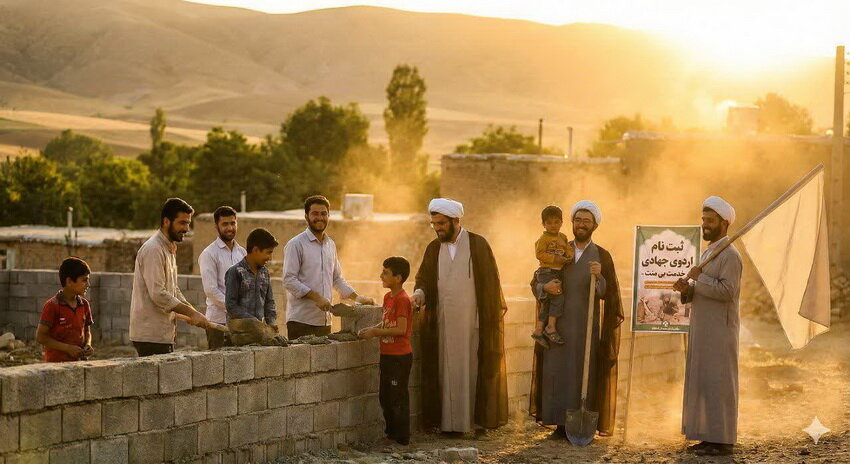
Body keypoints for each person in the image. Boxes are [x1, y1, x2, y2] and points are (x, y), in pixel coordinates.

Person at [411, 198, 508, 435]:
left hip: (472, 325)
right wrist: (419, 294)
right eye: (434, 224)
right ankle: (448, 425)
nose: (438, 228)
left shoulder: (478, 244)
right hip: (442, 324)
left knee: (473, 371)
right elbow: (423, 279)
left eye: (442, 223)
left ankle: (474, 423)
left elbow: (491, 285)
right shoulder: (433, 248)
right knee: (444, 372)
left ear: (456, 221)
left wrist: (486, 321)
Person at [529, 200, 624, 439]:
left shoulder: (602, 256)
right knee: (556, 372)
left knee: (581, 374)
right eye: (578, 220)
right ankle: (559, 424)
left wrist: (599, 276)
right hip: (556, 326)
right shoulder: (558, 248)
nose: (581, 224)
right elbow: (536, 281)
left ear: (594, 225)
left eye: (586, 221)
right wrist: (545, 287)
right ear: (571, 223)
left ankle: (580, 424)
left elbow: (608, 293)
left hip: (585, 328)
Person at [673, 196, 742, 457]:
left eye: (710, 221)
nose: (705, 225)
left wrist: (698, 279)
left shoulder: (731, 255)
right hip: (702, 329)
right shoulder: (710, 251)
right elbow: (703, 289)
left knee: (718, 383)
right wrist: (687, 289)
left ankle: (722, 440)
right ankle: (705, 435)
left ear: (724, 223)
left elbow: (727, 291)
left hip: (720, 332)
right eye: (703, 220)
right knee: (703, 382)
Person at [129, 198, 216, 357]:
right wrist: (192, 313)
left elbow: (173, 289)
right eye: (182, 223)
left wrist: (192, 313)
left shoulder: (168, 248)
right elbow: (158, 294)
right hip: (151, 336)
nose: (186, 229)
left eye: (188, 223)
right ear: (166, 221)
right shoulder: (153, 249)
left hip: (162, 335)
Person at [283, 195, 373, 339]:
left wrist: (358, 298)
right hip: (301, 321)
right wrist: (317, 297)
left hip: (325, 321)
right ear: (306, 216)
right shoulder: (296, 244)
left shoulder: (330, 245)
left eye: (324, 214)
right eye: (315, 214)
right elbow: (289, 280)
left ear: (329, 216)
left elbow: (336, 279)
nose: (320, 218)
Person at [359, 256, 413, 446]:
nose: (381, 276)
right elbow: (387, 321)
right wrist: (373, 329)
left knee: (397, 397)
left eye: (385, 273)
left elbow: (401, 329)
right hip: (387, 354)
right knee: (386, 396)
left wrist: (375, 332)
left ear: (398, 278)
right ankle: (391, 434)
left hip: (399, 356)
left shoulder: (403, 300)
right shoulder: (388, 297)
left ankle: (402, 439)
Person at [199, 205, 247, 349]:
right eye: (225, 224)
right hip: (218, 323)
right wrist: (236, 310)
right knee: (217, 369)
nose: (230, 228)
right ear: (216, 226)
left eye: (233, 223)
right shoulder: (209, 254)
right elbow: (211, 291)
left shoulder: (242, 253)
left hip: (240, 323)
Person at [35, 257, 94, 362]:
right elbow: (41, 337)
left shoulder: (84, 305)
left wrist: (88, 345)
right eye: (84, 280)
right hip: (56, 366)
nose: (88, 285)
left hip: (78, 363)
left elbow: (87, 332)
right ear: (69, 281)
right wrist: (67, 348)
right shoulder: (52, 306)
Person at [531, 205, 573, 348]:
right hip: (546, 272)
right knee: (558, 297)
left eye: (556, 222)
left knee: (547, 303)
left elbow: (568, 250)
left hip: (557, 272)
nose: (553, 225)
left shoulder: (563, 237)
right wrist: (556, 258)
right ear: (543, 224)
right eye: (549, 223)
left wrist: (568, 257)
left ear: (562, 222)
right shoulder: (543, 238)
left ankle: (538, 330)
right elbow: (539, 254)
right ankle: (551, 327)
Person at [225, 228, 278, 326]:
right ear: (256, 250)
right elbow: (231, 306)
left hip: (260, 335)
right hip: (239, 335)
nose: (270, 258)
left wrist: (271, 324)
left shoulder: (264, 272)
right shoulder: (235, 272)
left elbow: (269, 302)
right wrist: (252, 321)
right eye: (268, 252)